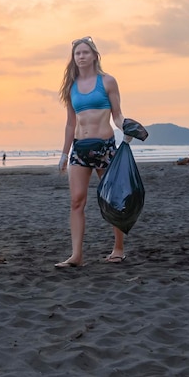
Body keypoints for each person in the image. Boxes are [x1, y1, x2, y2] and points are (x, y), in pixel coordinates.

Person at [56, 36, 131, 268]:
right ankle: (76, 255)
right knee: (76, 201)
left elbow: (117, 114)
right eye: (77, 53)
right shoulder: (71, 86)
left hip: (105, 147)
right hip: (80, 149)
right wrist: (64, 153)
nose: (81, 56)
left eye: (85, 52)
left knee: (113, 199)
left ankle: (118, 248)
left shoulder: (107, 82)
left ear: (94, 55)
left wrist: (126, 126)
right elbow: (70, 123)